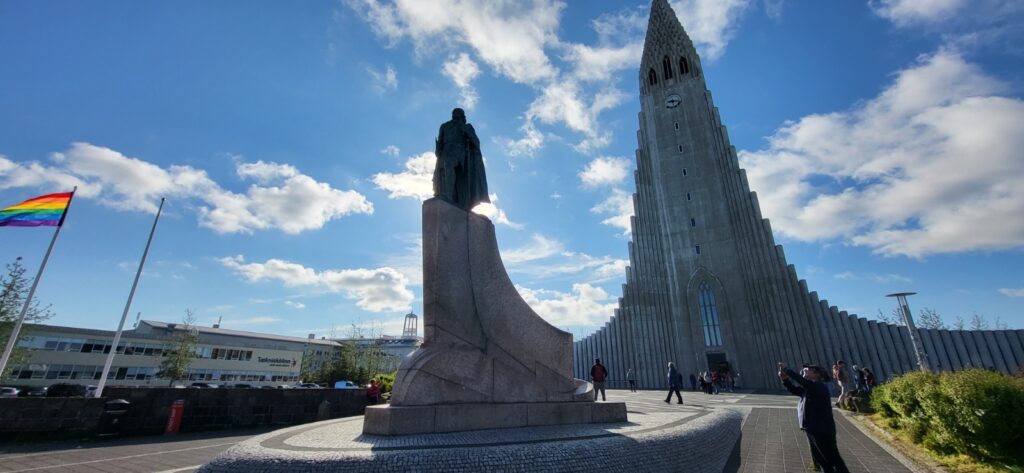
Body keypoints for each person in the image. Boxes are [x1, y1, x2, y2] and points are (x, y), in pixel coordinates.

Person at [779, 362, 851, 473]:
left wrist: (787, 370)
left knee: (833, 458)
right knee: (821, 459)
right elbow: (795, 390)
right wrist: (785, 380)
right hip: (812, 429)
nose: (804, 371)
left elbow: (802, 381)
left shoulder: (818, 386)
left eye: (807, 370)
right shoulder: (810, 388)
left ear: (817, 374)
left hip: (821, 430)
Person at [433, 108, 490, 211]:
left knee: (453, 169)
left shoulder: (467, 127)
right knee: (447, 166)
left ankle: (453, 198)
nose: (458, 118)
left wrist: (468, 132)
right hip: (447, 152)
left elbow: (476, 143)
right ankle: (448, 195)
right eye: (456, 116)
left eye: (460, 116)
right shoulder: (444, 126)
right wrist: (438, 150)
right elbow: (439, 145)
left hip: (461, 153)